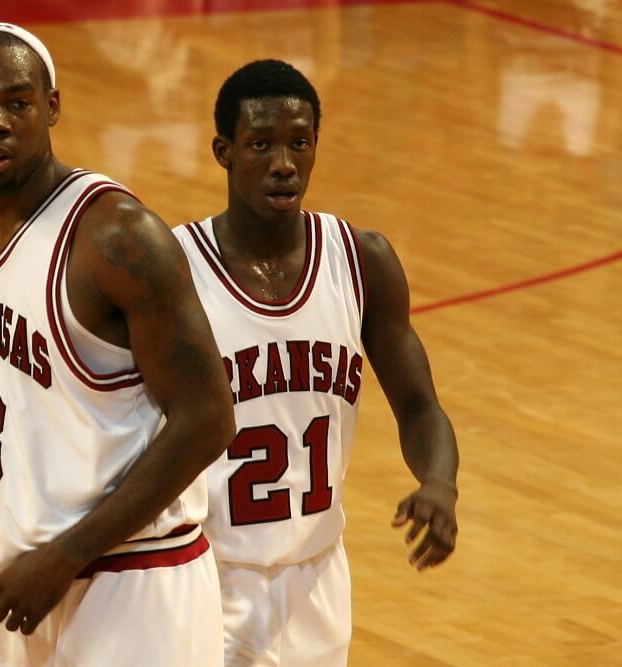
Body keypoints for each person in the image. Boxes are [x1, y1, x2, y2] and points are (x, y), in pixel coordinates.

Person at [0, 23, 235, 667]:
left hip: (131, 581)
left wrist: (69, 555)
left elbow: (208, 419)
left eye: (18, 103)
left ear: (52, 106)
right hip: (6, 584)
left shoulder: (117, 236)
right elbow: (40, 393)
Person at [172, 59, 460, 666]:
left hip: (318, 579)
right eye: (261, 145)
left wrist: (439, 483)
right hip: (202, 574)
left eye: (299, 143)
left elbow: (420, 407)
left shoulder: (361, 261)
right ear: (223, 151)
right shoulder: (175, 269)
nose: (284, 163)